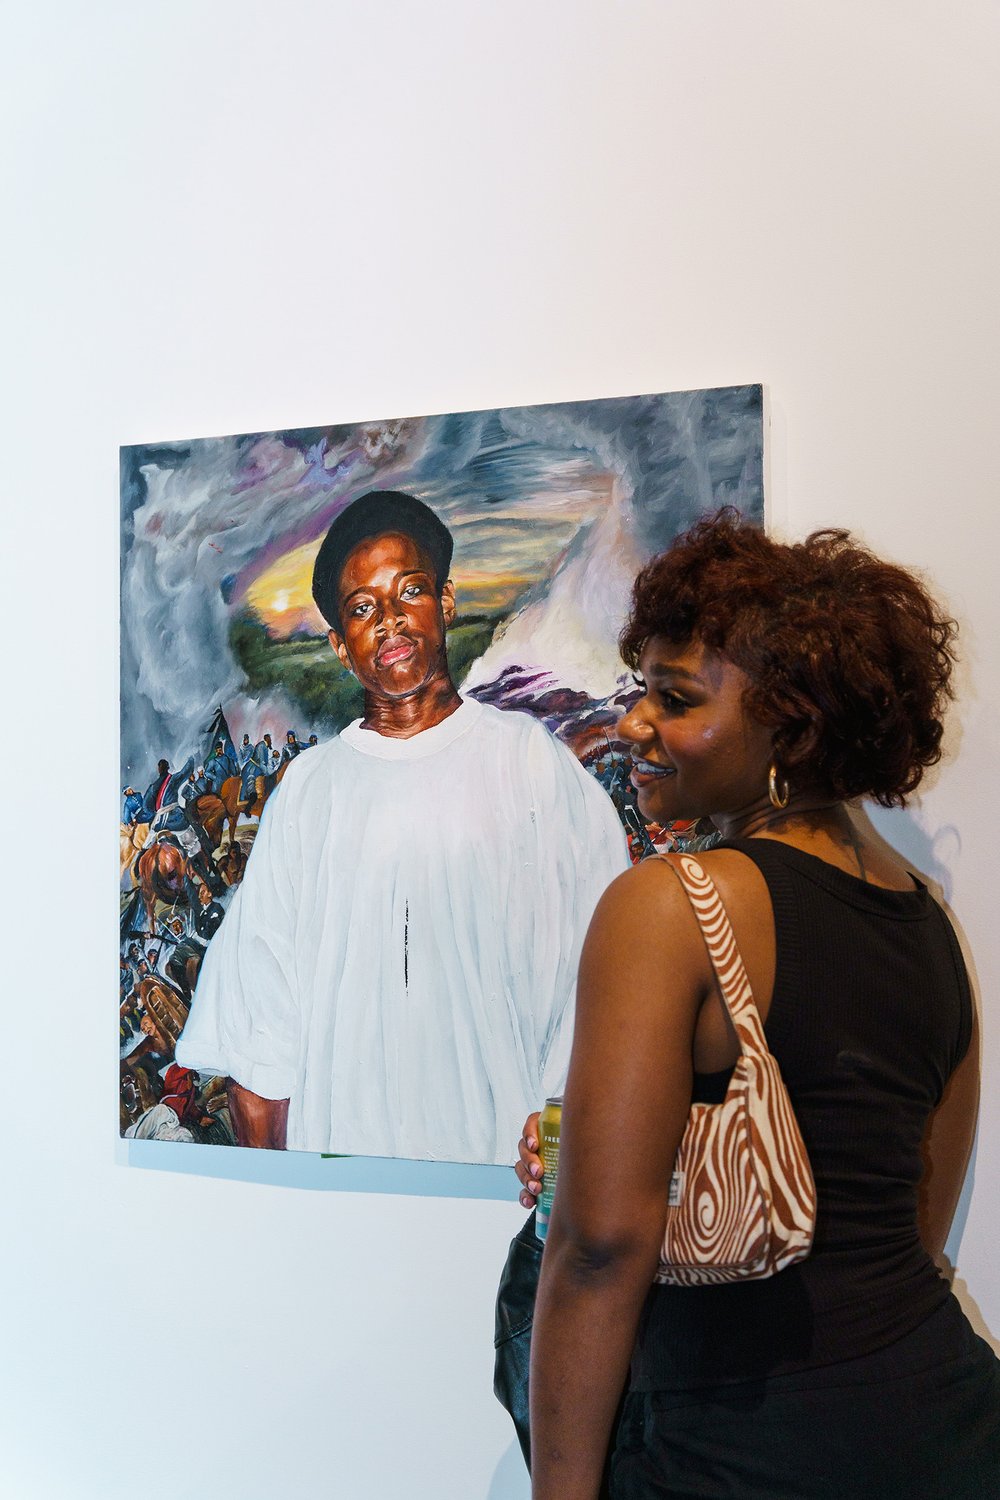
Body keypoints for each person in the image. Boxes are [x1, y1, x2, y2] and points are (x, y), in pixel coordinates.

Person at [518, 512, 1000, 1499]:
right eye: (639, 689)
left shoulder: (668, 906)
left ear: (793, 725)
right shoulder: (926, 921)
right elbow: (906, 1224)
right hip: (949, 1430)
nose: (634, 725)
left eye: (674, 698)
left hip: (745, 1457)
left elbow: (601, 1250)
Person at [176, 490, 628, 1164]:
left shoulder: (529, 761)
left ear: (445, 603)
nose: (389, 619)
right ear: (338, 644)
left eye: (409, 590)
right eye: (361, 608)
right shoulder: (307, 792)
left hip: (502, 1184)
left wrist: (562, 1172)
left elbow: (602, 983)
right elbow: (260, 1031)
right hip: (340, 1191)